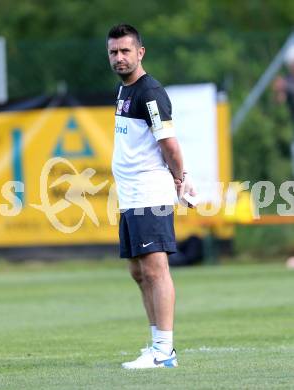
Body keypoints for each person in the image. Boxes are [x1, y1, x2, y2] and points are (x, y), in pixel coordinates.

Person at [106, 24, 195, 369]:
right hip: (130, 195)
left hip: (148, 192)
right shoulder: (124, 89)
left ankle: (165, 350)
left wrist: (180, 179)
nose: (119, 57)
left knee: (156, 270)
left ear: (140, 52)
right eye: (114, 52)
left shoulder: (150, 93)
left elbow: (169, 144)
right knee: (138, 271)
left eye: (126, 51)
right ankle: (156, 343)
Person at [273, 44, 294, 176]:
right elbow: (278, 101)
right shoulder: (288, 80)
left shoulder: (288, 82)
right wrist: (279, 91)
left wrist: (285, 86)